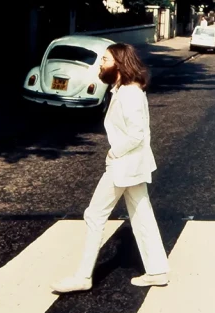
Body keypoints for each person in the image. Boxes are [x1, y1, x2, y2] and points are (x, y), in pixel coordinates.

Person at [52, 43, 168, 293]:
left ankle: (83, 277)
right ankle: (157, 270)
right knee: (142, 214)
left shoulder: (129, 94)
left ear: (118, 63)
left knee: (95, 215)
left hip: (123, 165)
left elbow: (136, 134)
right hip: (131, 165)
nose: (100, 64)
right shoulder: (122, 90)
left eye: (104, 59)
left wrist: (113, 152)